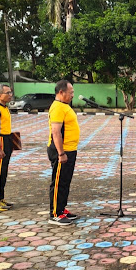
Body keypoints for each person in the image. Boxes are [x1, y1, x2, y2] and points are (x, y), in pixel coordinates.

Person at [47, 80, 81, 226]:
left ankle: (61, 209)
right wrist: (61, 153)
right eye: (71, 92)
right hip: (62, 151)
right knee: (58, 182)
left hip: (70, 150)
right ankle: (55, 213)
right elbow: (56, 132)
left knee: (65, 182)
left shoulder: (64, 106)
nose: (72, 95)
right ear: (61, 92)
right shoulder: (58, 107)